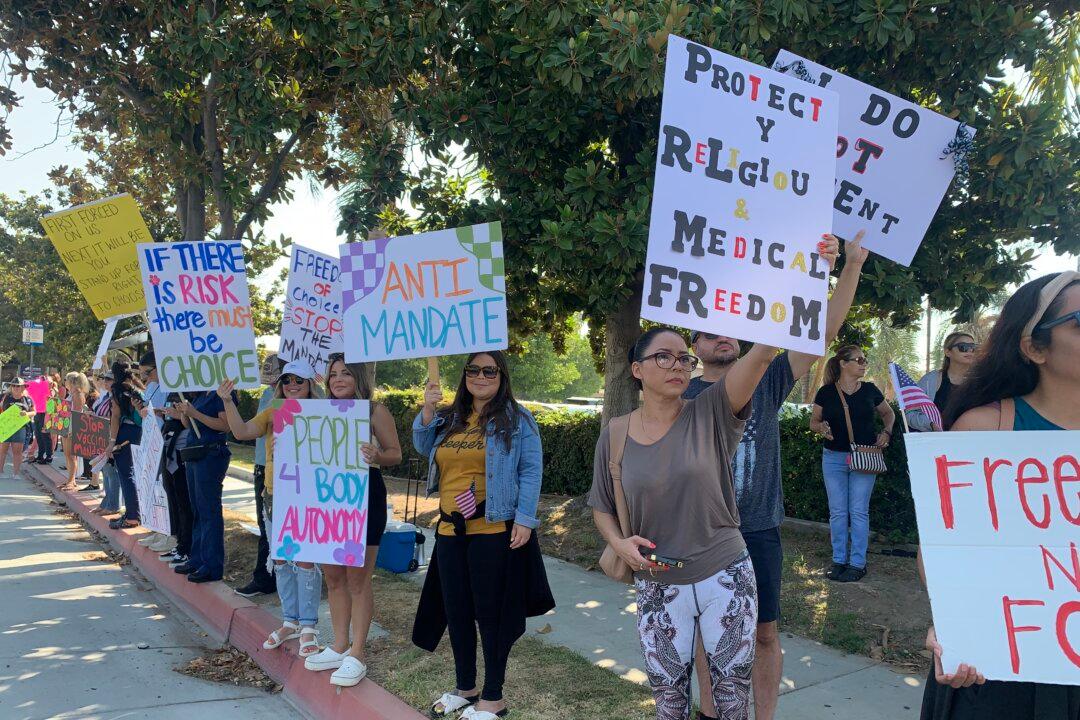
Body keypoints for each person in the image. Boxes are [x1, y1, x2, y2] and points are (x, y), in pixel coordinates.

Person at [687, 234, 861, 720]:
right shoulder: (678, 395)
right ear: (695, 346)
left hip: (757, 530)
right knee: (705, 633)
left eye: (730, 329)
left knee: (764, 632)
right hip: (699, 534)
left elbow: (818, 334)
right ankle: (712, 713)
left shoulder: (767, 378)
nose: (722, 336)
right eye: (709, 331)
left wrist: (848, 268)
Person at [590, 327, 779, 720]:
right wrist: (620, 543)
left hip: (725, 575)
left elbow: (761, 356)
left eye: (683, 358)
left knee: (731, 701)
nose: (677, 365)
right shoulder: (616, 433)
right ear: (636, 369)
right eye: (664, 356)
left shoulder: (711, 410)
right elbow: (602, 505)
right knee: (669, 703)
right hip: (658, 583)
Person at [920, 270, 1080, 720]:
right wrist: (954, 620)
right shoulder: (985, 427)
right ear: (1034, 348)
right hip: (1003, 673)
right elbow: (940, 551)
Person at [413, 351, 551, 720]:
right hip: (449, 529)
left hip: (493, 528)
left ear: (502, 376)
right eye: (473, 369)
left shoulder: (518, 419)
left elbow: (530, 470)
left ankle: (494, 697)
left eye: (489, 370)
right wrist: (427, 410)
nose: (480, 375)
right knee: (456, 611)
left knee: (490, 614)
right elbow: (423, 447)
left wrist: (525, 519)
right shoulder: (449, 417)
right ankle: (466, 687)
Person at [304, 353, 402, 687]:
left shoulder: (375, 411)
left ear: (358, 377)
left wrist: (378, 455)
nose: (338, 379)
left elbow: (396, 454)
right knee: (333, 577)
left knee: (358, 579)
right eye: (333, 374)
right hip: (327, 499)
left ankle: (357, 654)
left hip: (365, 496)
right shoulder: (317, 413)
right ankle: (339, 644)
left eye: (346, 373)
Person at [218, 361, 322, 658]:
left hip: (309, 496)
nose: (292, 384)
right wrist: (227, 401)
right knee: (280, 558)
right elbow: (241, 431)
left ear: (310, 383)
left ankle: (309, 627)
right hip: (276, 496)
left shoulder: (325, 412)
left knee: (304, 560)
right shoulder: (274, 411)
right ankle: (290, 620)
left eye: (299, 379)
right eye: (287, 379)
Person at [809, 345, 895, 583]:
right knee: (837, 512)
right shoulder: (826, 392)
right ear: (843, 364)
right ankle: (839, 560)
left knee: (858, 511)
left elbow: (889, 414)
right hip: (834, 457)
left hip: (865, 456)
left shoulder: (870, 390)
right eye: (858, 359)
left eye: (864, 359)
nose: (863, 363)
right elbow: (813, 422)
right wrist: (821, 428)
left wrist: (887, 433)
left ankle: (857, 563)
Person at [171, 386, 234, 583]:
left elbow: (225, 425)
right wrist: (185, 413)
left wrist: (194, 413)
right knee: (197, 508)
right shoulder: (199, 394)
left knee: (209, 509)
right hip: (195, 453)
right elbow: (190, 425)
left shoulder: (221, 393)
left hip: (211, 454)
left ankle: (212, 565)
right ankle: (197, 557)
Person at [235, 352, 281, 598]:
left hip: (288, 470)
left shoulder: (311, 394)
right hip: (265, 466)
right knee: (267, 525)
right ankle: (266, 576)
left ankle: (268, 578)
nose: (275, 384)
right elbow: (253, 429)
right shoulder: (268, 396)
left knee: (279, 526)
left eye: (278, 379)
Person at [136, 352, 176, 554]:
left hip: (164, 439)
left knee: (167, 488)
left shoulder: (172, 385)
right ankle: (158, 528)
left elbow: (169, 410)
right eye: (142, 374)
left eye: (148, 372)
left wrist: (155, 411)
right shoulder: (152, 386)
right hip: (151, 438)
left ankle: (170, 533)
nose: (146, 378)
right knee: (155, 486)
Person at [908, 331, 978, 431]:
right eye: (963, 347)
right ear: (947, 352)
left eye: (973, 347)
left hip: (971, 442)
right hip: (937, 443)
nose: (970, 351)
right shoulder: (931, 380)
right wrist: (930, 424)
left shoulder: (980, 382)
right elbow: (911, 412)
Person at [157, 391, 195, 568]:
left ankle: (186, 547)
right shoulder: (173, 391)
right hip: (169, 451)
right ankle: (179, 543)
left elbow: (191, 423)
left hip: (182, 454)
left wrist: (181, 414)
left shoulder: (192, 394)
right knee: (174, 500)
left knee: (184, 503)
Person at [108, 362, 145, 530]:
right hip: (140, 432)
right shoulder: (137, 387)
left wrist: (111, 442)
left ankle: (131, 516)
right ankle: (136, 512)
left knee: (126, 473)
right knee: (135, 474)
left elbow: (115, 416)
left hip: (125, 432)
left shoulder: (117, 388)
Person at [90, 371, 122, 517]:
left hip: (111, 436)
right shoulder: (106, 396)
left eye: (109, 379)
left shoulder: (116, 397)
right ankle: (107, 502)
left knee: (111, 471)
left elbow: (115, 417)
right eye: (105, 379)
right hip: (101, 436)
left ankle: (113, 504)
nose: (105, 381)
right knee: (105, 470)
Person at [0, 377, 34, 479]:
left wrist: (27, 413)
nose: (16, 388)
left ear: (23, 387)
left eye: (18, 386)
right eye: (14, 385)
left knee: (17, 451)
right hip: (6, 427)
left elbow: (34, 411)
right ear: (11, 387)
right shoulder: (5, 397)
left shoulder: (27, 399)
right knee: (2, 450)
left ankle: (16, 473)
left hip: (20, 428)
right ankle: (0, 471)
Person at [60, 372, 89, 490]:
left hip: (73, 427)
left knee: (72, 456)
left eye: (66, 379)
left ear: (71, 381)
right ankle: (69, 479)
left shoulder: (78, 394)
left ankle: (72, 481)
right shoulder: (71, 393)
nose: (64, 381)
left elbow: (77, 413)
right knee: (67, 454)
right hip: (67, 426)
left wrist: (73, 429)